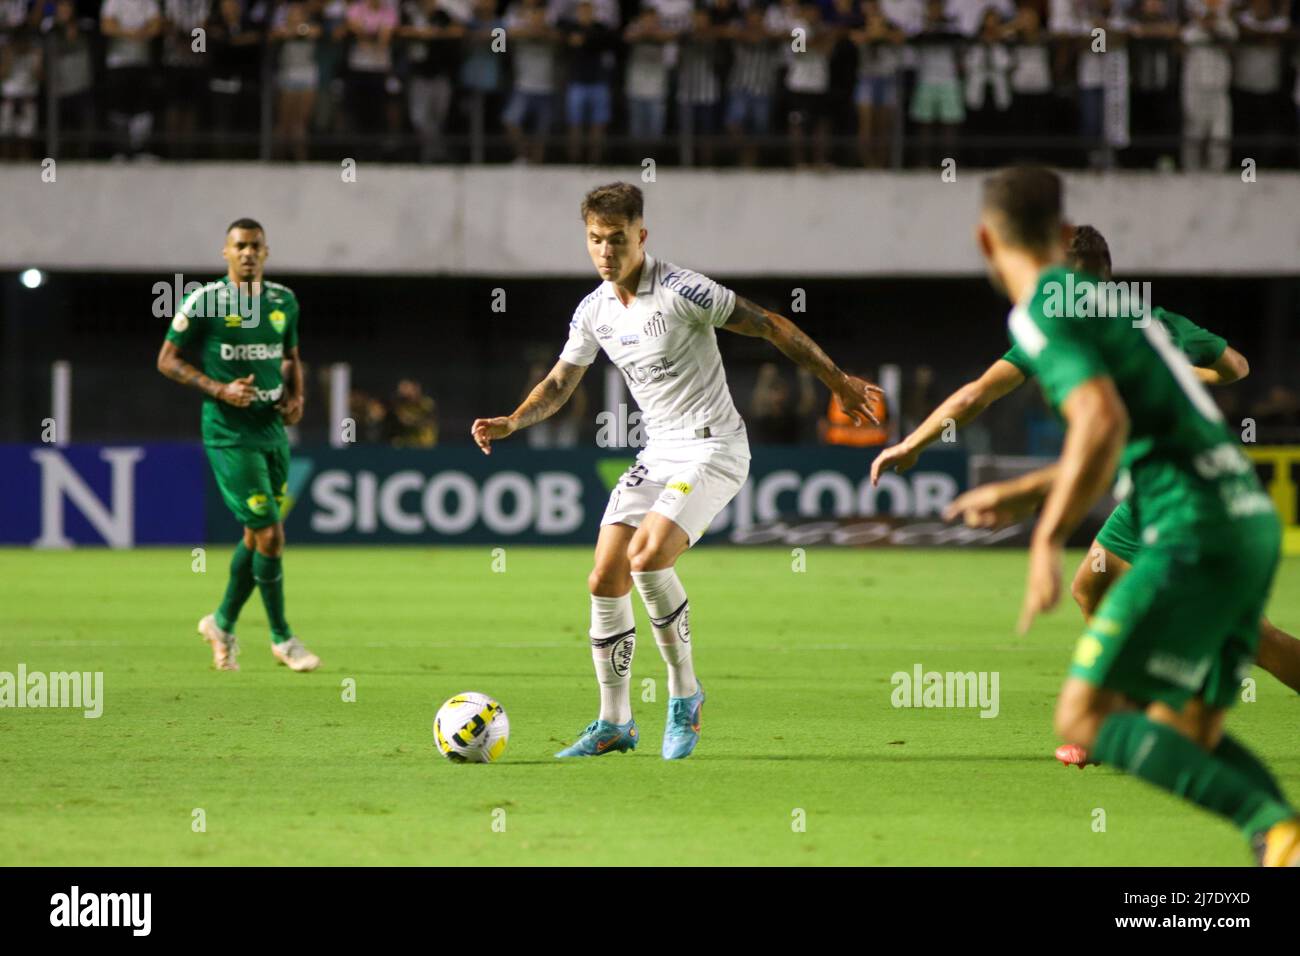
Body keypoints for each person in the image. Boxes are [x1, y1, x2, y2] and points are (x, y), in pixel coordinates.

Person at [945, 166, 1297, 866]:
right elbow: (1219, 372)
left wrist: (1041, 531)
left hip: (1190, 524)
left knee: (1085, 715)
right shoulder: (1131, 315)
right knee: (1193, 722)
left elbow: (1101, 424)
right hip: (1243, 516)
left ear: (987, 241)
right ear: (1066, 231)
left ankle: (1271, 826)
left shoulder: (1049, 309)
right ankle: (1279, 838)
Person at [470, 182, 881, 759]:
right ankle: (614, 721)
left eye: (617, 239)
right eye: (595, 240)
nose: (606, 251)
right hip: (657, 454)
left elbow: (768, 324)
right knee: (604, 577)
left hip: (714, 449)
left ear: (641, 236)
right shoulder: (594, 311)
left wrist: (837, 381)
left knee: (647, 558)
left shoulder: (684, 290)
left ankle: (685, 696)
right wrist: (514, 420)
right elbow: (562, 382)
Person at [873, 223, 1300, 705]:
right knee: (1091, 585)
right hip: (1163, 486)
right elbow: (1237, 367)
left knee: (1248, 636)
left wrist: (912, 443)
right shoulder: (1154, 320)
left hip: (1183, 491)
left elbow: (977, 394)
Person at [156, 219, 321, 674]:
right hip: (230, 433)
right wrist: (218, 388)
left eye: (255, 246)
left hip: (271, 429)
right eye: (239, 246)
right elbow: (167, 360)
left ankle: (222, 623)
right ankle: (283, 638)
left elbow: (290, 358)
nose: (247, 253)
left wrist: (297, 399)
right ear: (225, 252)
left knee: (256, 535)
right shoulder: (205, 301)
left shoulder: (283, 301)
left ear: (266, 253)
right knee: (270, 533)